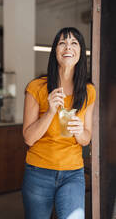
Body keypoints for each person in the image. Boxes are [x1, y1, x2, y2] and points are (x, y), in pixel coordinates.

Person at [22, 27, 96, 219]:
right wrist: (50, 111)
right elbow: (29, 138)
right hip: (38, 172)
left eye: (74, 43)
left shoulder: (88, 91)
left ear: (81, 51)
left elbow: (86, 139)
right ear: (55, 50)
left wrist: (80, 131)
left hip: (73, 173)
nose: (67, 47)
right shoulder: (36, 87)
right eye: (62, 43)